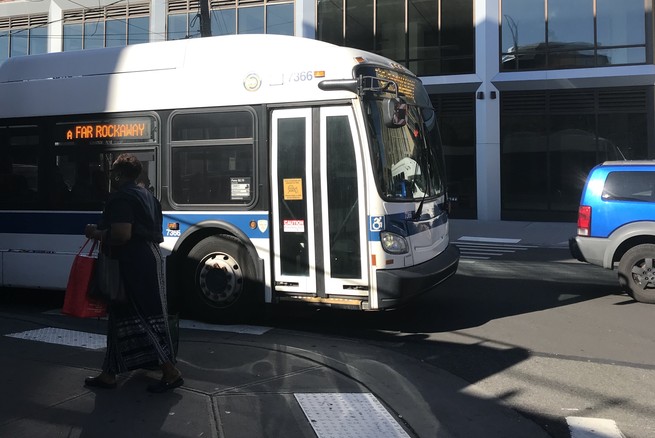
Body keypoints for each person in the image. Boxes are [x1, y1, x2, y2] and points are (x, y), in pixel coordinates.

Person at [83, 153, 182, 393]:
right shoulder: (148, 196)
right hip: (150, 257)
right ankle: (109, 372)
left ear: (118, 174)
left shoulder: (121, 198)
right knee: (120, 314)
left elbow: (122, 234)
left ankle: (171, 371)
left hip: (132, 262)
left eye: (112, 173)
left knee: (141, 316)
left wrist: (95, 233)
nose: (111, 177)